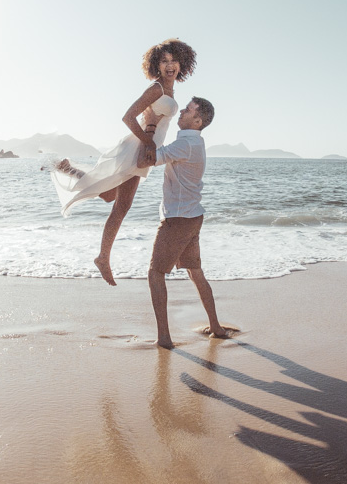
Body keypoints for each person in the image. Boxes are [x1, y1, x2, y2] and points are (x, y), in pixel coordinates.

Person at [50, 39, 197, 286]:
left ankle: (69, 169)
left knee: (109, 196)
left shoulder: (169, 90)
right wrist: (148, 143)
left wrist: (152, 141)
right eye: (164, 61)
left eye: (173, 60)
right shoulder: (157, 89)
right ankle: (103, 258)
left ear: (182, 62)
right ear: (156, 65)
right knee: (122, 206)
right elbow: (128, 117)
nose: (169, 65)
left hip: (144, 146)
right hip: (138, 147)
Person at [148, 97, 228, 349]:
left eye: (188, 109)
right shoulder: (195, 141)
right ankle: (215, 327)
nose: (182, 111)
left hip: (179, 219)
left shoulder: (186, 142)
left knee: (155, 273)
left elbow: (147, 159)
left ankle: (164, 338)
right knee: (195, 272)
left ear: (198, 120)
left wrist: (149, 125)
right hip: (193, 217)